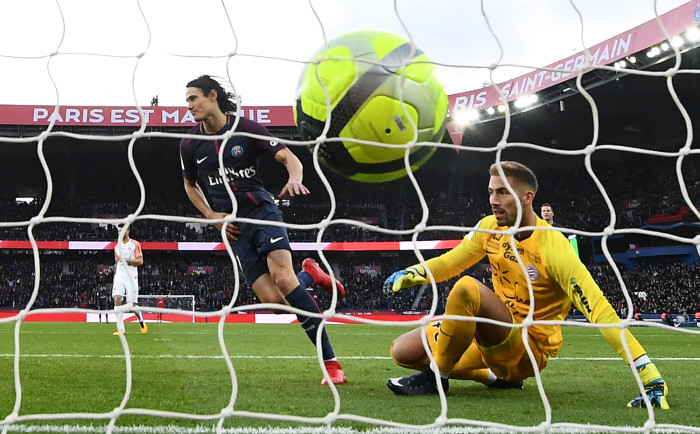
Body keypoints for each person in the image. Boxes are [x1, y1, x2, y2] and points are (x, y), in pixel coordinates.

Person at [382, 161, 669, 409]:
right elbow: (451, 261)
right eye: (491, 192)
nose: (494, 200)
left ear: (528, 197)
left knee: (467, 289)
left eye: (503, 192)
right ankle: (494, 378)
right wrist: (414, 271)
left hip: (527, 347)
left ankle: (436, 380)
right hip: (493, 335)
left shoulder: (553, 247)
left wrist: (648, 374)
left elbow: (598, 309)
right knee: (402, 351)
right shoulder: (489, 228)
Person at [179, 75, 347, 385]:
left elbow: (289, 158)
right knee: (277, 306)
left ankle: (331, 363)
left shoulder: (247, 128)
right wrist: (212, 215)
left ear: (212, 95)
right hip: (235, 227)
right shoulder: (190, 144)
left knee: (284, 277)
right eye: (187, 100)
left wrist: (294, 177)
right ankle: (312, 273)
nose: (189, 105)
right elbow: (189, 185)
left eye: (193, 98)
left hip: (263, 211)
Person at [112, 223, 148, 335]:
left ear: (127, 231)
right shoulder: (116, 247)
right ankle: (121, 329)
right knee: (117, 298)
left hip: (131, 276)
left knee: (132, 305)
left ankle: (141, 320)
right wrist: (115, 275)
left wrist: (127, 259)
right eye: (118, 231)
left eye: (122, 230)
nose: (120, 233)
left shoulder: (135, 244)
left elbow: (140, 261)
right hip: (119, 275)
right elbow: (117, 261)